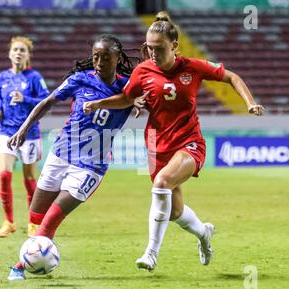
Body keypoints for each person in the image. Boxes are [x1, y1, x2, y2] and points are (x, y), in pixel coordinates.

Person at [83, 12, 265, 271]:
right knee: (174, 211)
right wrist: (98, 104)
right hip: (157, 144)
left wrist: (250, 102)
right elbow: (126, 98)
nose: (152, 53)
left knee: (161, 183)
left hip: (188, 142)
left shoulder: (193, 66)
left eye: (158, 49)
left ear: (174, 46)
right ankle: (204, 234)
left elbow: (231, 77)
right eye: (148, 48)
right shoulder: (143, 70)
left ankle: (151, 253)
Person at [5, 34, 140, 280]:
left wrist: (140, 102)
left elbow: (140, 100)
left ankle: (20, 266)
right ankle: (34, 258)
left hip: (91, 166)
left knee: (52, 219)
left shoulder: (129, 87)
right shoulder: (79, 80)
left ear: (117, 57)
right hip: (61, 153)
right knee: (35, 216)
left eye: (106, 57)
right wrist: (23, 129)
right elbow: (46, 103)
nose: (99, 62)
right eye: (96, 56)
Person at [0, 36, 50, 238]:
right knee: (4, 175)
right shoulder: (3, 76)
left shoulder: (34, 77)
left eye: (22, 50)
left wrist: (25, 99)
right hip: (6, 132)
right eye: (15, 49)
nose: (18, 53)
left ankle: (34, 223)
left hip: (29, 134)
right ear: (9, 53)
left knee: (29, 179)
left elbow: (46, 100)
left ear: (28, 55)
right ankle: (9, 222)